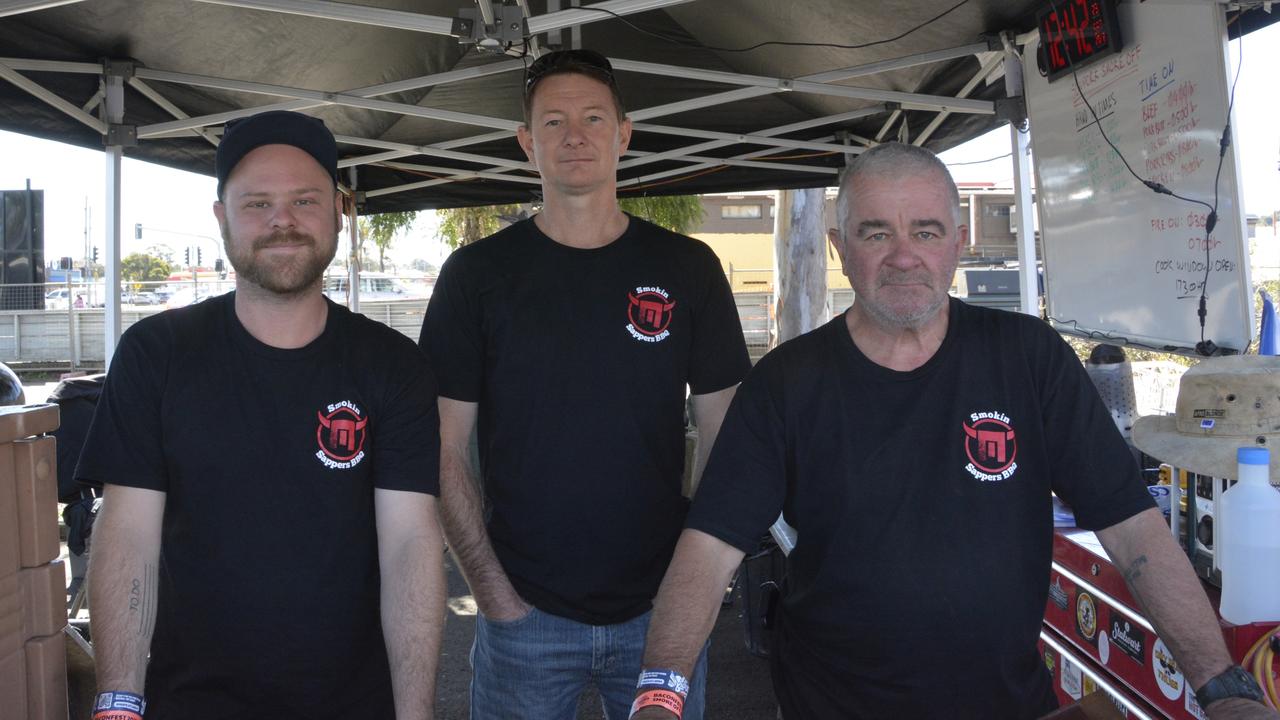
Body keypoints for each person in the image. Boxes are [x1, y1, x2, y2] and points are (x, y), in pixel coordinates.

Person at [633, 143, 1278, 720]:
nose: (904, 255)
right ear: (840, 248)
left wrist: (1220, 684)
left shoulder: (1028, 358)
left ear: (960, 240)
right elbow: (709, 544)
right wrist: (660, 696)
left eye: (926, 230)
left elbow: (1131, 525)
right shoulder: (786, 382)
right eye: (876, 232)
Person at [79, 110, 446, 720]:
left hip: (355, 704)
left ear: (338, 210)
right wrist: (118, 702)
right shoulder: (157, 353)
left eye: (305, 199)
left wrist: (416, 712)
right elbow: (129, 536)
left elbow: (409, 543)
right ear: (222, 218)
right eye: (256, 204)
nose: (283, 221)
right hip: (189, 703)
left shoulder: (393, 365)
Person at [418, 49, 750, 720]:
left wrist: (699, 575)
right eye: (555, 122)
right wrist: (492, 593)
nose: (576, 135)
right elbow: (437, 443)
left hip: (661, 611)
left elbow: (727, 427)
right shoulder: (477, 275)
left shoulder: (687, 267)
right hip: (523, 616)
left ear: (623, 134)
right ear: (526, 142)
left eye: (595, 118)